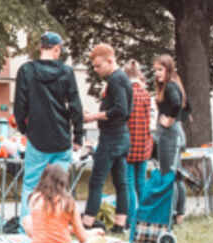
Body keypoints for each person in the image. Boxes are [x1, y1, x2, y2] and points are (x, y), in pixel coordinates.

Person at [23, 163, 180, 243]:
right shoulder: (68, 203)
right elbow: (82, 237)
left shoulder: (34, 198)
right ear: (63, 183)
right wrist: (94, 232)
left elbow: (52, 223)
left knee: (26, 221)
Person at [11, 32, 84, 229]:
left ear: (41, 47)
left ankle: (26, 227)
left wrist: (24, 128)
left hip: (37, 136)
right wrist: (78, 135)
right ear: (57, 49)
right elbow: (75, 105)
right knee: (59, 186)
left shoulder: (26, 70)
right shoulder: (67, 72)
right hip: (61, 136)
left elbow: (19, 105)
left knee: (31, 185)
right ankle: (56, 226)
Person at [82, 44, 132, 229]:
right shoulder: (123, 78)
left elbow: (120, 109)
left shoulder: (115, 80)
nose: (96, 70)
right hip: (122, 136)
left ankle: (87, 223)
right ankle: (120, 224)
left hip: (111, 137)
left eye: (98, 66)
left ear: (110, 61)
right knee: (121, 183)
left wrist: (93, 116)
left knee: (96, 180)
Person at [150, 54, 187, 218]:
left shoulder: (170, 86)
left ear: (168, 70)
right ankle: (179, 213)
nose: (157, 73)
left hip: (169, 136)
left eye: (160, 69)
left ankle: (170, 212)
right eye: (155, 70)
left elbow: (178, 105)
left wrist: (169, 120)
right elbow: (186, 108)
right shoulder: (174, 84)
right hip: (174, 134)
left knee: (168, 174)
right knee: (176, 174)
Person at [124, 60, 154, 220]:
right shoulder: (146, 94)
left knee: (128, 184)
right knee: (141, 183)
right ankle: (145, 216)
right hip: (143, 145)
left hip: (129, 145)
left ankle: (130, 218)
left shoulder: (126, 93)